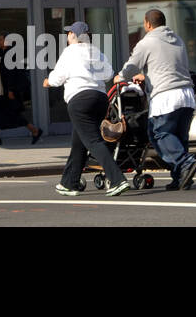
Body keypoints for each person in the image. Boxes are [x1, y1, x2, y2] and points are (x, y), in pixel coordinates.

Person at [44, 22, 131, 197]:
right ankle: (69, 183)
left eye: (69, 33)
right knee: (79, 144)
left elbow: (58, 77)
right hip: (100, 99)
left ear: (74, 36)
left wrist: (48, 81)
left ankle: (117, 180)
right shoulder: (95, 51)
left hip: (79, 100)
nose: (67, 36)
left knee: (92, 141)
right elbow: (108, 74)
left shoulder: (70, 52)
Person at [117, 9, 196, 191]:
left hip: (166, 96)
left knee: (158, 134)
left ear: (147, 23)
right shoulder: (178, 40)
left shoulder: (147, 42)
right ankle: (181, 178)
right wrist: (146, 77)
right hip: (186, 94)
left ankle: (185, 162)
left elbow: (131, 66)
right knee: (179, 138)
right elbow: (171, 67)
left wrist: (120, 76)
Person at [0, 35, 43, 146]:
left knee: (13, 115)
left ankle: (35, 131)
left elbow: (11, 74)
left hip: (6, 92)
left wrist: (11, 90)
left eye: (1, 39)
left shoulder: (9, 55)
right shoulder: (3, 55)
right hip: (1, 91)